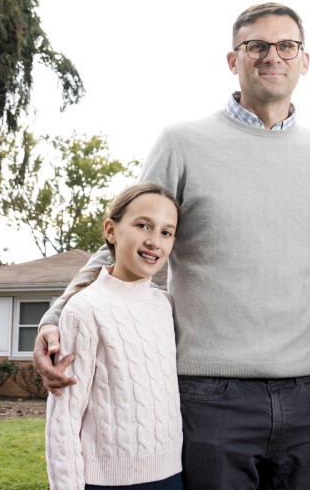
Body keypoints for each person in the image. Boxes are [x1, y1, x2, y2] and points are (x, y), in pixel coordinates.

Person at [35, 2, 310, 490]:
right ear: (232, 60)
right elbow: (128, 241)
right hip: (210, 397)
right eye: (256, 45)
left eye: (286, 45)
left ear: (305, 60)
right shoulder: (183, 143)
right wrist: (55, 317)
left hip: (308, 397)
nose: (271, 56)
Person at [44, 183, 184, 490]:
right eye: (142, 225)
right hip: (107, 482)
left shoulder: (165, 306)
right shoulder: (84, 309)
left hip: (172, 477)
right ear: (111, 230)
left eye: (166, 232)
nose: (154, 241)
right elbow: (64, 419)